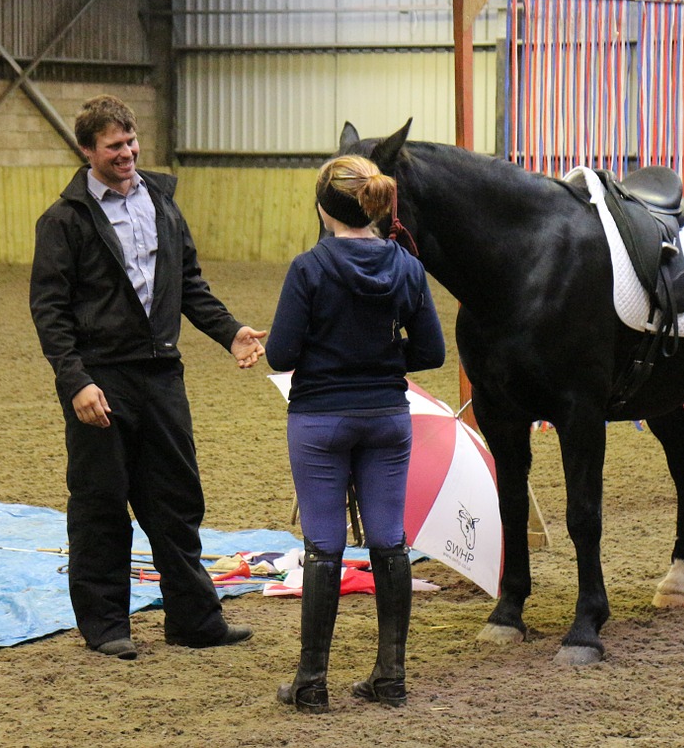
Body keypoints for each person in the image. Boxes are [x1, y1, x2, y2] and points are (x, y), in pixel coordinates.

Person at [29, 94, 267, 660]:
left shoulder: (162, 202)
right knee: (100, 503)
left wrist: (230, 331)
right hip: (100, 382)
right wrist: (75, 382)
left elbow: (189, 284)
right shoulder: (63, 221)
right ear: (87, 151)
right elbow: (50, 312)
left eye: (131, 142)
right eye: (113, 146)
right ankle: (107, 626)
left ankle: (194, 620)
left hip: (162, 376)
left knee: (176, 499)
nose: (127, 153)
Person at [265, 154, 445, 712]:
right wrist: (385, 352)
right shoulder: (409, 268)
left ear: (324, 209)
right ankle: (390, 676)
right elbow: (432, 352)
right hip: (387, 417)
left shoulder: (309, 268)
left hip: (320, 419)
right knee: (390, 541)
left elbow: (281, 352)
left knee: (324, 546)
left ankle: (311, 682)